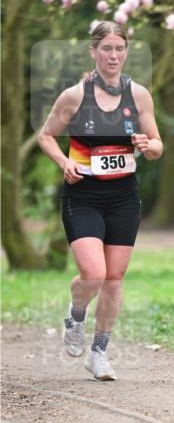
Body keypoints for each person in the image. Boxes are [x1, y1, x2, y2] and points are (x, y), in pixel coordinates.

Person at [36, 22, 162, 381]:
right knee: (94, 274)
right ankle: (76, 314)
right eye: (106, 48)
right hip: (83, 195)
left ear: (126, 51)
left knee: (115, 279)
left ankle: (100, 352)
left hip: (123, 196)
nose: (113, 55)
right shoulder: (75, 96)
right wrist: (65, 162)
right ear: (93, 52)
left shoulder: (138, 95)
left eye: (119, 48)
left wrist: (147, 146)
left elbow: (157, 145)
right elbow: (46, 136)